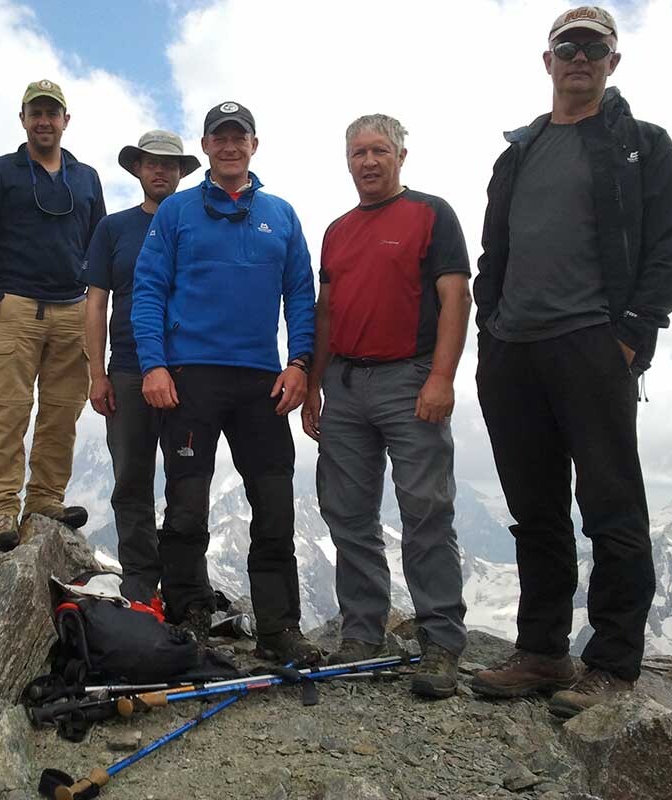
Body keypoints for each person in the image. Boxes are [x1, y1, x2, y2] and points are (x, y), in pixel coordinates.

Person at [470, 6, 672, 716]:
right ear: (546, 62)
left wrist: (628, 332)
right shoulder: (517, 152)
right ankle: (541, 652)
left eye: (593, 47)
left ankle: (611, 667)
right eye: (566, 46)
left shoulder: (641, 144)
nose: (578, 57)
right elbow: (491, 256)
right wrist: (490, 330)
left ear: (612, 62)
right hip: (513, 352)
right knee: (533, 512)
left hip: (591, 346)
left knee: (611, 507)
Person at [132, 101, 321, 664]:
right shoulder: (177, 213)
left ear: (254, 146)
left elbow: (301, 297)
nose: (231, 145)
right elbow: (147, 289)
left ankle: (279, 629)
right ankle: (189, 614)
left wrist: (301, 365)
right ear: (207, 146)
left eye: (240, 137)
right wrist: (153, 364)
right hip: (191, 377)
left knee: (274, 504)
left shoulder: (282, 216)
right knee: (186, 503)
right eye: (221, 136)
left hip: (264, 380)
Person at [302, 115, 471, 698]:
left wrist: (442, 378)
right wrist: (316, 384)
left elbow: (456, 297)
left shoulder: (431, 213)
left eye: (379, 150)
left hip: (411, 378)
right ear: (346, 160)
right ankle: (362, 633)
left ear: (401, 154)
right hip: (346, 382)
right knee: (347, 514)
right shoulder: (336, 231)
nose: (368, 161)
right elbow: (326, 313)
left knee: (425, 510)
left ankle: (442, 643)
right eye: (357, 152)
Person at [0, 79, 106, 550]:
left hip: (72, 309)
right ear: (23, 118)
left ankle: (46, 499)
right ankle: (2, 508)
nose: (45, 121)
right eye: (36, 112)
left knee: (62, 413)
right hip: (17, 307)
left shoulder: (86, 177)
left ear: (66, 120)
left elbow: (98, 243)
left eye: (53, 113)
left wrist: (93, 299)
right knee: (7, 410)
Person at [85, 131, 201, 603]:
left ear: (181, 173)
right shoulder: (113, 229)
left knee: (188, 480)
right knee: (131, 476)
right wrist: (97, 373)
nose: (161, 171)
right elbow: (95, 304)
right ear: (138, 169)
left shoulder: (197, 224)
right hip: (130, 369)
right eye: (152, 163)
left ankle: (186, 584)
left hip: (190, 370)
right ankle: (139, 577)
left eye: (171, 165)